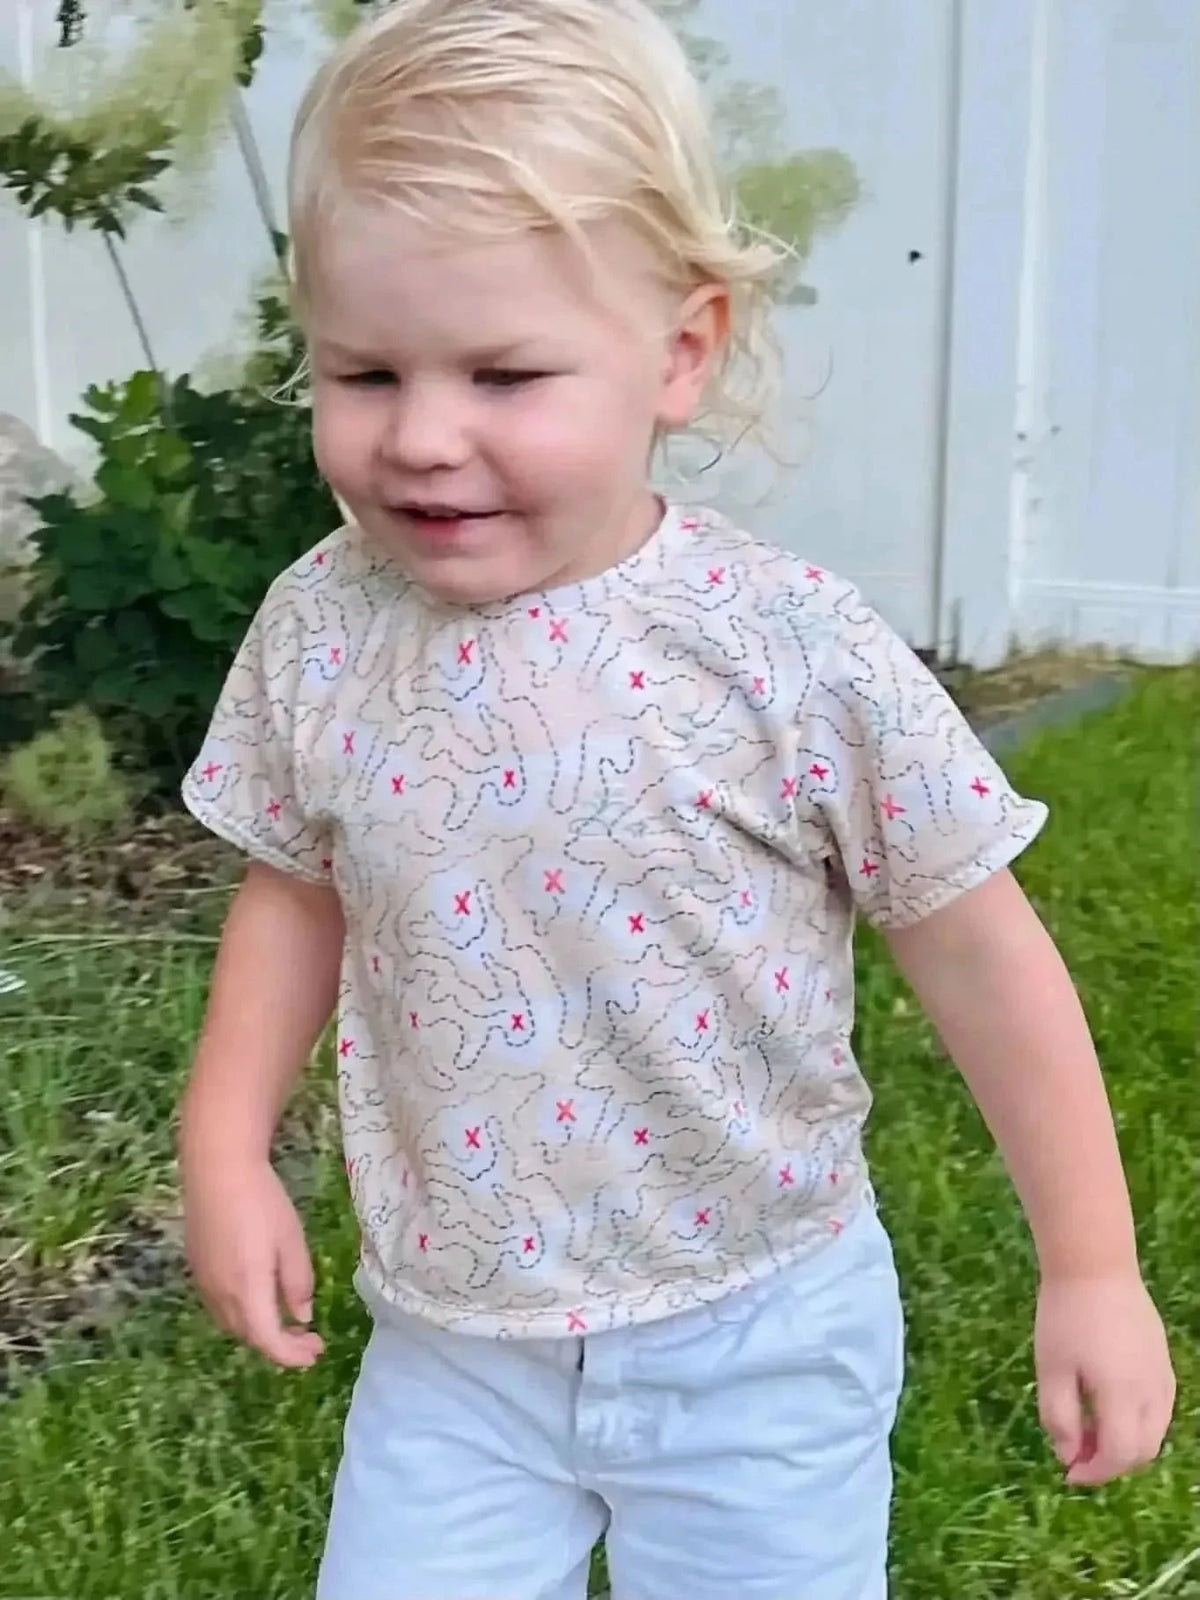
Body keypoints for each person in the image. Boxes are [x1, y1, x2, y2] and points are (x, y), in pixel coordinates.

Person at [177, 3, 1175, 1596]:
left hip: (755, 1331)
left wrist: (1092, 1267)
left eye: (504, 373)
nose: (423, 436)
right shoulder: (324, 621)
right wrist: (225, 1148)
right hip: (456, 1346)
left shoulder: (784, 650)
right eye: (362, 370)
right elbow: (296, 885)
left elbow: (982, 953)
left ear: (682, 352)